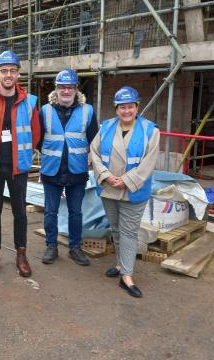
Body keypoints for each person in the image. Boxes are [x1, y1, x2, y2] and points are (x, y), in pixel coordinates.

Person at [90, 86, 160, 298]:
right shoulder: (106, 127)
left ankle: (127, 276)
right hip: (110, 188)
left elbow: (149, 163)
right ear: (116, 109)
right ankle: (121, 265)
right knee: (116, 229)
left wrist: (127, 180)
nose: (126, 111)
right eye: (122, 107)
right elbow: (93, 152)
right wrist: (105, 175)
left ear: (137, 107)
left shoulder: (151, 131)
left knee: (129, 232)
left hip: (133, 191)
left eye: (130, 106)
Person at [0, 50, 41, 277]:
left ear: (18, 74)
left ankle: (21, 254)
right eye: (4, 71)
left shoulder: (29, 101)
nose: (8, 75)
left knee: (20, 213)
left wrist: (22, 155)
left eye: (12, 71)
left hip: (18, 168)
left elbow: (35, 134)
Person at [39, 69, 98, 266]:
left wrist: (91, 158)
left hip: (77, 170)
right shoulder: (44, 111)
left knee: (76, 212)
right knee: (50, 211)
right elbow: (38, 140)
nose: (66, 91)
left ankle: (75, 247)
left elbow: (94, 140)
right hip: (51, 169)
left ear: (75, 89)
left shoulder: (88, 111)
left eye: (70, 87)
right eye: (62, 87)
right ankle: (51, 246)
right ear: (56, 89)